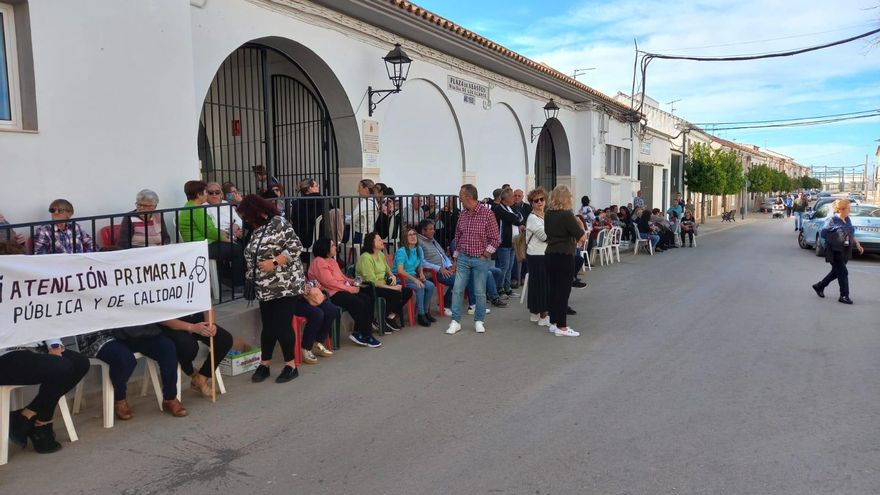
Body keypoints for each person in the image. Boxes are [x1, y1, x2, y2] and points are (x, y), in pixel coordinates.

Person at [0, 241, 90, 453]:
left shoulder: (27, 289)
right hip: (6, 355)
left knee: (79, 362)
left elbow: (43, 318)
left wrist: (55, 345)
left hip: (34, 349)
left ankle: (31, 416)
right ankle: (41, 426)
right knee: (61, 368)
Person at [238, 195, 329, 383]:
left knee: (281, 325)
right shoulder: (257, 229)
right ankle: (264, 364)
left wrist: (274, 262)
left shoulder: (278, 222)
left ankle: (290, 365)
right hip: (265, 286)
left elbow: (296, 247)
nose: (246, 220)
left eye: (247, 215)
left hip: (285, 284)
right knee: (268, 327)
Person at [75, 324, 188, 419]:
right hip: (99, 336)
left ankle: (170, 397)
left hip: (132, 331)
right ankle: (120, 399)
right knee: (124, 359)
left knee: (166, 347)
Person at [446, 184, 500, 335]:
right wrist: (455, 258)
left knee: (480, 292)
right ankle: (455, 321)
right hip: (463, 257)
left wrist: (485, 255)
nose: (459, 198)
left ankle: (479, 320)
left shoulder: (487, 214)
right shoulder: (462, 214)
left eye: (461, 196)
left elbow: (495, 239)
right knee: (457, 289)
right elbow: (458, 237)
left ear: (468, 197)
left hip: (480, 259)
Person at [309, 238, 381, 348]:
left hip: (341, 289)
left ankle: (359, 332)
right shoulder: (319, 262)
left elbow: (342, 278)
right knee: (358, 302)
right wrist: (351, 289)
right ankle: (367, 334)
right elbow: (330, 283)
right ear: (325, 248)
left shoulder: (332, 261)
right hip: (331, 294)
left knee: (367, 297)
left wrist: (353, 281)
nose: (335, 247)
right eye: (332, 245)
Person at [179, 180, 245, 286]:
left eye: (217, 192)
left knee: (240, 245)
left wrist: (226, 234)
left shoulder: (192, 206)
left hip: (204, 243)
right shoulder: (197, 209)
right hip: (202, 246)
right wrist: (227, 238)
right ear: (198, 194)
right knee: (237, 249)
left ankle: (232, 278)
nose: (208, 195)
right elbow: (208, 231)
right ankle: (238, 284)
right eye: (206, 192)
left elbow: (209, 230)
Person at [157, 310, 234, 398]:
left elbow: (207, 306)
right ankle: (191, 372)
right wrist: (192, 327)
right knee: (189, 347)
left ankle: (201, 378)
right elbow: (161, 318)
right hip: (169, 322)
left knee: (224, 340)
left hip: (192, 316)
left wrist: (210, 324)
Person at [544, 185, 586, 337]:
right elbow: (581, 234)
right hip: (564, 254)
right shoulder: (566, 215)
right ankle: (562, 326)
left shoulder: (548, 213)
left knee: (554, 290)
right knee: (563, 291)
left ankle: (554, 322)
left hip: (550, 254)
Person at [356, 232, 412, 331]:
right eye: (379, 240)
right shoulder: (366, 257)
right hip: (369, 288)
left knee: (407, 291)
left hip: (383, 284)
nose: (382, 241)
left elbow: (388, 270)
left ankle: (389, 316)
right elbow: (372, 281)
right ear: (371, 243)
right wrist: (392, 287)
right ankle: (379, 320)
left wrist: (392, 276)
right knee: (396, 294)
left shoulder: (381, 254)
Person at [812, 199, 863, 304]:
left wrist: (857, 244)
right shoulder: (832, 220)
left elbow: (850, 233)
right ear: (841, 210)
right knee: (843, 272)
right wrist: (832, 242)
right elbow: (823, 233)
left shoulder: (848, 219)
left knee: (836, 272)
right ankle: (844, 296)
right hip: (834, 251)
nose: (850, 210)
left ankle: (819, 286)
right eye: (849, 208)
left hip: (845, 250)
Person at [395, 228, 436, 327]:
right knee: (420, 286)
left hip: (412, 276)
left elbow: (420, 264)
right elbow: (400, 271)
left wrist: (421, 273)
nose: (413, 236)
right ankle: (420, 315)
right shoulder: (402, 251)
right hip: (401, 278)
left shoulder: (419, 249)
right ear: (405, 238)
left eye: (414, 234)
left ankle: (426, 312)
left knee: (430, 286)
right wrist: (415, 279)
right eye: (410, 235)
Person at [418, 219, 456, 311]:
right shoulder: (419, 242)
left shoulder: (432, 240)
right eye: (430, 229)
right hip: (432, 273)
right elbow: (422, 262)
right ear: (423, 231)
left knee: (464, 276)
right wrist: (439, 269)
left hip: (444, 269)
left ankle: (473, 304)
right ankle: (445, 305)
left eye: (433, 229)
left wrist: (449, 265)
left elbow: (442, 254)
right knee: (459, 281)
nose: (433, 231)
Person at [525, 188, 550, 326]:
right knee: (541, 285)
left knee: (537, 284)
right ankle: (543, 315)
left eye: (542, 199)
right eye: (536, 200)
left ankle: (535, 312)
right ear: (531, 203)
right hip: (537, 255)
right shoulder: (533, 218)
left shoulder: (543, 216)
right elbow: (545, 236)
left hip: (541, 254)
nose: (540, 202)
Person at [492, 188, 524, 296]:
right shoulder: (499, 208)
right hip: (504, 242)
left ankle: (507, 288)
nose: (514, 198)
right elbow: (512, 218)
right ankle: (499, 289)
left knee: (509, 267)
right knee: (503, 267)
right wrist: (517, 220)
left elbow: (520, 216)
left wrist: (518, 219)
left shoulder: (510, 207)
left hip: (513, 242)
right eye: (512, 196)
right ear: (505, 198)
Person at [351, 179, 378, 246]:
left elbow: (352, 219)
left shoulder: (364, 203)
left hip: (359, 235)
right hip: (369, 234)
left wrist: (343, 219)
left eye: (359, 188)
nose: (357, 190)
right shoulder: (375, 202)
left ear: (366, 189)